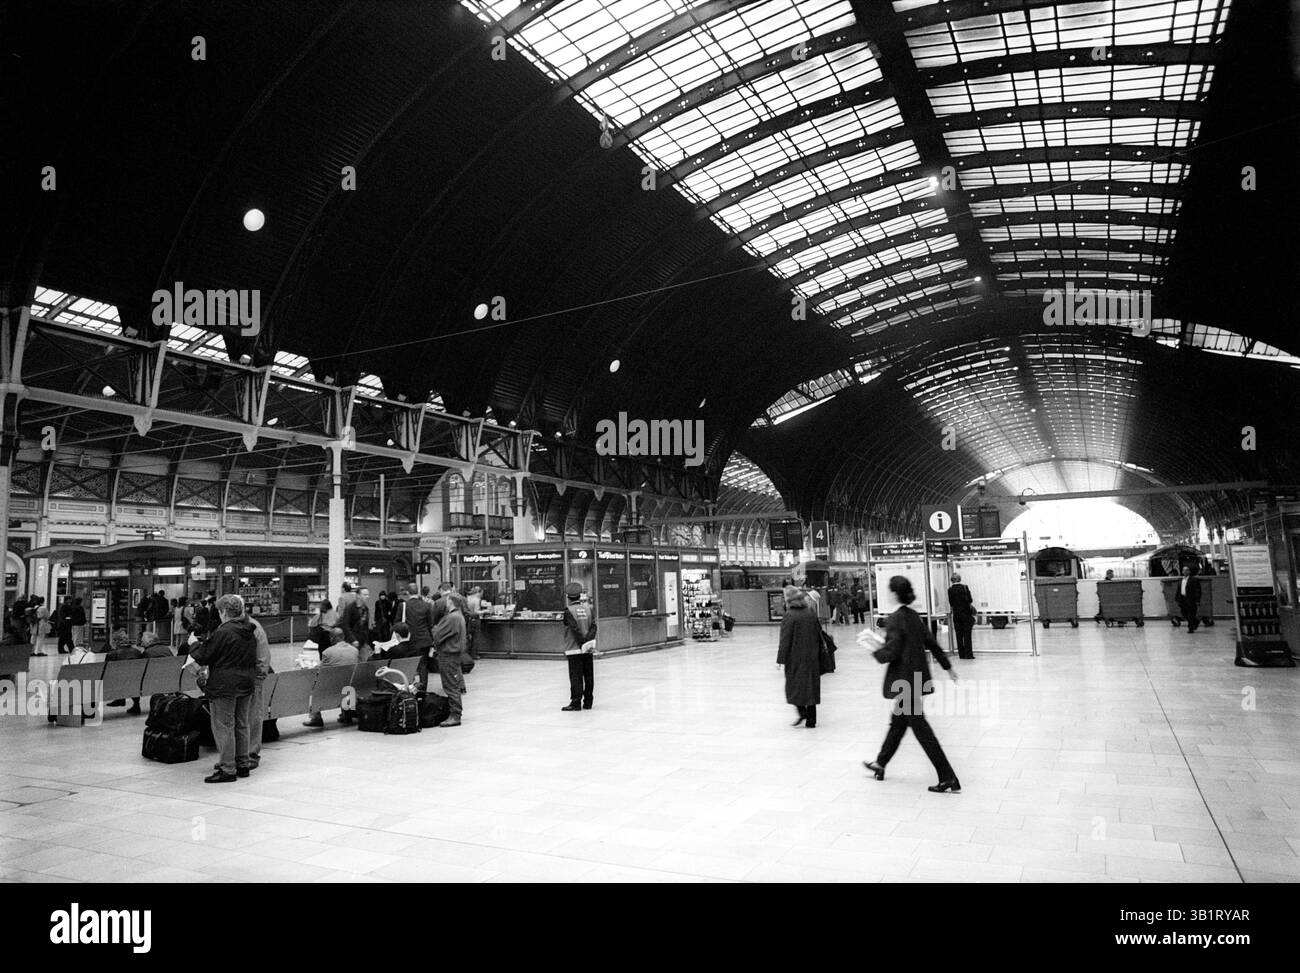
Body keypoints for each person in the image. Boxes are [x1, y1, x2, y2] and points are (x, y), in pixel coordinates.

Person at [864, 576, 960, 793]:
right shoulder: (913, 616)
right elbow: (932, 643)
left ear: (894, 594)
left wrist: (874, 649)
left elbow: (892, 651)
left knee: (921, 730)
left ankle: (948, 777)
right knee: (897, 724)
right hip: (915, 678)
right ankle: (881, 764)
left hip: (905, 680)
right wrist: (948, 668)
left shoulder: (896, 618)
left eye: (889, 591)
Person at [187, 594, 258, 783]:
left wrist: (193, 644)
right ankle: (242, 763)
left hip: (224, 686)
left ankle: (228, 767)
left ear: (224, 612)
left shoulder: (224, 631)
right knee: (242, 723)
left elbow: (204, 655)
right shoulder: (249, 630)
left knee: (224, 726)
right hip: (246, 683)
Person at [776, 585, 821, 728]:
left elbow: (785, 639)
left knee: (794, 686)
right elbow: (818, 634)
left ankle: (802, 712)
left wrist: (780, 659)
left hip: (795, 657)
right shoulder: (810, 613)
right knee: (811, 687)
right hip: (812, 656)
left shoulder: (789, 615)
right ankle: (811, 720)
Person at [303, 628, 359, 728]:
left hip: (332, 689)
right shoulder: (354, 650)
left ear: (332, 638)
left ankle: (316, 718)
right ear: (343, 637)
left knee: (313, 685)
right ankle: (346, 715)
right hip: (350, 687)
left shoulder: (328, 652)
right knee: (345, 681)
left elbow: (319, 672)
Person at [430, 593, 467, 726]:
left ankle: (455, 715)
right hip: (454, 654)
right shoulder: (459, 616)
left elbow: (437, 635)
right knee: (453, 683)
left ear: (450, 602)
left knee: (450, 685)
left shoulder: (451, 618)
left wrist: (435, 629)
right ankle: (455, 713)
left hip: (448, 654)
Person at [560, 582, 597, 712]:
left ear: (568, 597)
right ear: (579, 596)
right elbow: (593, 626)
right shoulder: (588, 609)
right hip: (588, 649)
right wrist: (587, 642)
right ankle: (588, 702)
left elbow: (574, 629)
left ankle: (576, 703)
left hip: (574, 649)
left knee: (576, 676)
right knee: (588, 675)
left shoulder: (568, 611)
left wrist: (581, 643)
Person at [105, 629, 145, 714]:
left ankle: (120, 699)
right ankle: (136, 703)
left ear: (116, 641)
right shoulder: (137, 652)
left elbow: (106, 672)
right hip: (137, 682)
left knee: (117, 677)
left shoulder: (112, 654)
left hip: (119, 682)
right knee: (132, 677)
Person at [947, 572, 975, 660]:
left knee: (959, 634)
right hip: (966, 614)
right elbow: (970, 600)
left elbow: (951, 603)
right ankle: (968, 654)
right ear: (960, 579)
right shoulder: (965, 588)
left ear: (952, 580)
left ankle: (961, 654)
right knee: (967, 634)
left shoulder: (950, 590)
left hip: (956, 615)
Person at [1176, 565, 1202, 633]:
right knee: (1184, 613)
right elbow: (1178, 590)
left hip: (1191, 599)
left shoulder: (1194, 580)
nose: (1184, 571)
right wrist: (1177, 598)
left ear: (1189, 571)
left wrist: (1197, 600)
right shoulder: (1181, 580)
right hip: (1182, 599)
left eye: (1186, 570)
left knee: (1191, 613)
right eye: (1183, 570)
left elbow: (1197, 590)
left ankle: (1190, 628)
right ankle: (1195, 621)